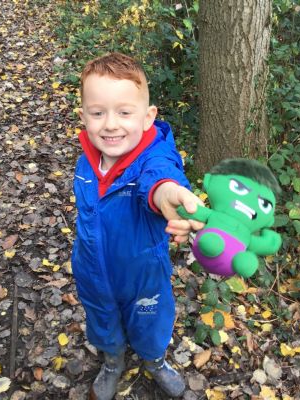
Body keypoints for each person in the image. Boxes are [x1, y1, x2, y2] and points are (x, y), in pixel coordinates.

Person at [72, 52, 204, 400]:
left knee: (150, 320)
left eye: (124, 112)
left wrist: (167, 193)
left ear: (148, 117)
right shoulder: (86, 163)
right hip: (92, 269)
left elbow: (158, 179)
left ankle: (155, 360)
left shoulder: (152, 158)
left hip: (143, 272)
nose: (110, 124)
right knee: (102, 317)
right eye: (98, 113)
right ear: (83, 116)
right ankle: (112, 360)